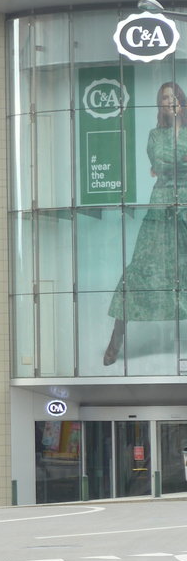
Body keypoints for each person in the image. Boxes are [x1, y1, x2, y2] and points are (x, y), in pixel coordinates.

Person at [104, 81, 187, 366]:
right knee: (140, 269)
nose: (169, 101)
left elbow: (165, 164)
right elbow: (160, 163)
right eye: (164, 98)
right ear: (160, 104)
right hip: (160, 206)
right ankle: (115, 340)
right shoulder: (155, 135)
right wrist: (178, 158)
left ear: (181, 101)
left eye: (173, 96)